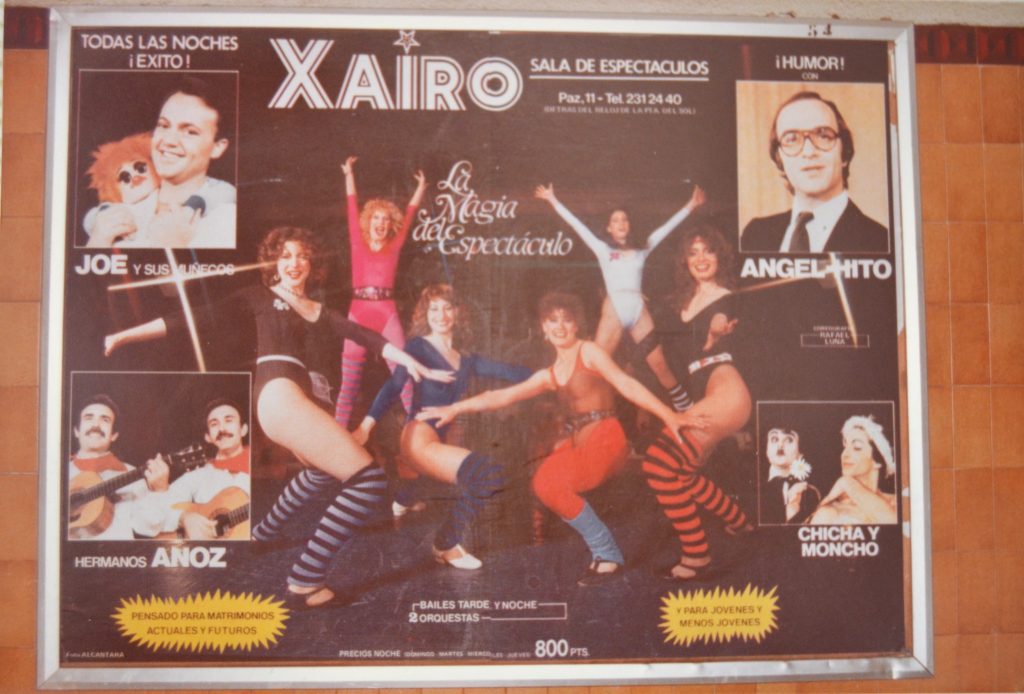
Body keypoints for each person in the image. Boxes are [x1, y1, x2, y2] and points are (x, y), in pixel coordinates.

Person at [104, 226, 452, 606]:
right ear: (273, 263)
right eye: (285, 256)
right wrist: (122, 336)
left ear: (312, 264)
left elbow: (368, 337)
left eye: (302, 256)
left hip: (293, 398)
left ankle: (263, 534)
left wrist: (408, 360)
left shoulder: (319, 311)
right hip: (278, 394)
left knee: (321, 471)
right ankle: (305, 579)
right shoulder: (259, 296)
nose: (294, 263)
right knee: (368, 482)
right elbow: (190, 318)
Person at [419, 291, 705, 586]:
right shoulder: (551, 373)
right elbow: (501, 396)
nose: (559, 327)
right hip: (580, 443)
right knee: (543, 482)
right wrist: (455, 408)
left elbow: (625, 383)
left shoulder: (589, 352)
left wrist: (669, 415)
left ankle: (607, 555)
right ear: (543, 328)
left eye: (566, 320)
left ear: (576, 325)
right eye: (552, 321)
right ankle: (609, 552)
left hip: (607, 439)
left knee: (550, 484)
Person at [353, 284, 532, 569]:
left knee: (433, 476)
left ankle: (403, 499)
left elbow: (508, 371)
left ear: (458, 313)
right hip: (418, 437)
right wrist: (366, 426)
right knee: (487, 474)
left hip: (440, 437)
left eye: (448, 307)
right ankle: (446, 544)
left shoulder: (466, 359)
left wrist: (552, 374)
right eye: (434, 308)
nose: (441, 315)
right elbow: (394, 386)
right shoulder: (418, 348)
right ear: (425, 314)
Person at [642, 225, 754, 579]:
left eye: (708, 250)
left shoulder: (726, 297)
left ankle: (697, 556)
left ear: (720, 256)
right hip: (708, 393)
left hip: (728, 393)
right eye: (693, 252)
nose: (701, 258)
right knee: (683, 471)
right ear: (685, 261)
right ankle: (740, 523)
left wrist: (717, 330)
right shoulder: (683, 302)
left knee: (658, 465)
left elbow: (720, 320)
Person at [535, 183, 705, 413]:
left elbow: (666, 228)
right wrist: (552, 200)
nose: (621, 223)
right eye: (615, 221)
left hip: (637, 310)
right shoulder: (603, 250)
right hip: (614, 309)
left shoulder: (642, 250)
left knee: (659, 365)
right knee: (594, 368)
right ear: (609, 228)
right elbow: (577, 226)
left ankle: (688, 409)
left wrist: (691, 205)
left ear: (629, 225)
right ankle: (574, 412)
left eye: (624, 219)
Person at [88, 76, 237, 248]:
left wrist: (173, 246)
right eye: (164, 126)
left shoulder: (224, 218)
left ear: (217, 147)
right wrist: (98, 241)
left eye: (190, 132)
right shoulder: (126, 209)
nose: (168, 140)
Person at [334, 156, 426, 429]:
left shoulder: (394, 246)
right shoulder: (357, 241)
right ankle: (337, 435)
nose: (381, 223)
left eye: (386, 219)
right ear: (368, 221)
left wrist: (421, 188)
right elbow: (351, 205)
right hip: (358, 313)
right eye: (376, 217)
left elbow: (410, 214)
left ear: (390, 225)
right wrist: (349, 174)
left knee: (405, 375)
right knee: (349, 385)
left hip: (386, 313)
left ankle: (416, 430)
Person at [741, 91, 888, 254]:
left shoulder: (880, 240)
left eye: (824, 136)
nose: (809, 152)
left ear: (844, 153)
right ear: (779, 159)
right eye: (792, 139)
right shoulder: (755, 234)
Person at [133, 398, 252, 540]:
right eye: (214, 424)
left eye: (229, 420)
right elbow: (142, 524)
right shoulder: (197, 477)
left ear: (243, 429)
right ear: (208, 437)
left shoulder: (262, 472)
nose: (221, 429)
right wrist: (183, 517)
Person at [68, 394, 168, 541]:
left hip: (115, 553)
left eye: (105, 420)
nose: (96, 425)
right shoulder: (59, 474)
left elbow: (147, 528)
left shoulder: (131, 473)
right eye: (89, 418)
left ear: (113, 435)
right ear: (76, 431)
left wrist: (159, 492)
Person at [809, 415, 897, 525]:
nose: (845, 454)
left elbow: (892, 522)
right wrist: (846, 483)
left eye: (857, 447)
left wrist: (847, 483)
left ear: (878, 459)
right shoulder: (830, 513)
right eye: (845, 446)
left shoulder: (896, 503)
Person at [761, 427, 820, 524]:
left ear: (800, 452)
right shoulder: (755, 488)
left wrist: (793, 512)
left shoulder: (809, 492)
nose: (780, 445)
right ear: (766, 449)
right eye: (774, 439)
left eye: (789, 440)